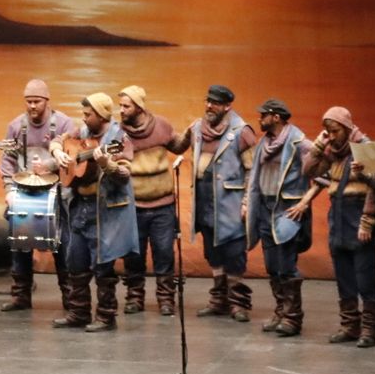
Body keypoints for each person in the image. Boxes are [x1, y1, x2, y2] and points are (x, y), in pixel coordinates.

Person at [51, 92, 137, 331]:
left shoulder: (119, 138)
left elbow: (124, 175)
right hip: (80, 207)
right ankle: (78, 312)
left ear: (101, 115)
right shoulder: (83, 132)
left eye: (88, 114)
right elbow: (58, 140)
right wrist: (57, 151)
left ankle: (106, 316)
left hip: (105, 211)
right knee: (75, 262)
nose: (84, 118)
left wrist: (105, 164)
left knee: (103, 265)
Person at [301, 105, 375, 346]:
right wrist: (318, 145)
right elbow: (307, 170)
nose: (331, 135)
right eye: (327, 130)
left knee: (366, 276)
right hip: (338, 218)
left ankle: (370, 329)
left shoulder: (365, 146)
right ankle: (350, 325)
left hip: (359, 217)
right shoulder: (332, 151)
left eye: (335, 130)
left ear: (347, 128)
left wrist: (368, 221)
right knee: (344, 276)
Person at [176, 84, 257, 322]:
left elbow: (253, 170)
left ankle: (237, 303)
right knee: (213, 251)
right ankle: (219, 300)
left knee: (233, 252)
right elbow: (177, 144)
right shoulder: (197, 128)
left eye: (216, 103)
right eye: (208, 101)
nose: (209, 106)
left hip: (230, 202)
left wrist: (246, 202)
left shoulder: (242, 132)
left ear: (227, 106)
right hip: (205, 199)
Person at [0, 78, 74, 312]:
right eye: (28, 102)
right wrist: (9, 191)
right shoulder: (16, 126)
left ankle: (70, 298)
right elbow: (8, 160)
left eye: (37, 102)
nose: (32, 106)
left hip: (56, 194)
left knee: (62, 245)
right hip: (24, 193)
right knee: (20, 244)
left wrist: (50, 165)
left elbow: (72, 156)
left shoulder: (64, 124)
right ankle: (21, 295)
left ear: (47, 101)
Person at [245, 99, 314, 336]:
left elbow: (323, 172)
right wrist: (247, 202)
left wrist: (304, 202)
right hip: (265, 208)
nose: (259, 118)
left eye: (263, 114)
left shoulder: (298, 142)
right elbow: (254, 176)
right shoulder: (264, 143)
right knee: (272, 266)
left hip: (287, 210)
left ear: (276, 117)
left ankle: (293, 317)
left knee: (286, 265)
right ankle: (281, 311)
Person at [116, 84, 180, 316]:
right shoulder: (118, 133)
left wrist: (193, 134)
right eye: (120, 105)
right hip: (133, 207)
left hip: (162, 205)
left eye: (126, 106)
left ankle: (165, 299)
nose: (121, 110)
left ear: (139, 107)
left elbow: (178, 145)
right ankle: (135, 297)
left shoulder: (161, 125)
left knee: (164, 253)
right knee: (134, 255)